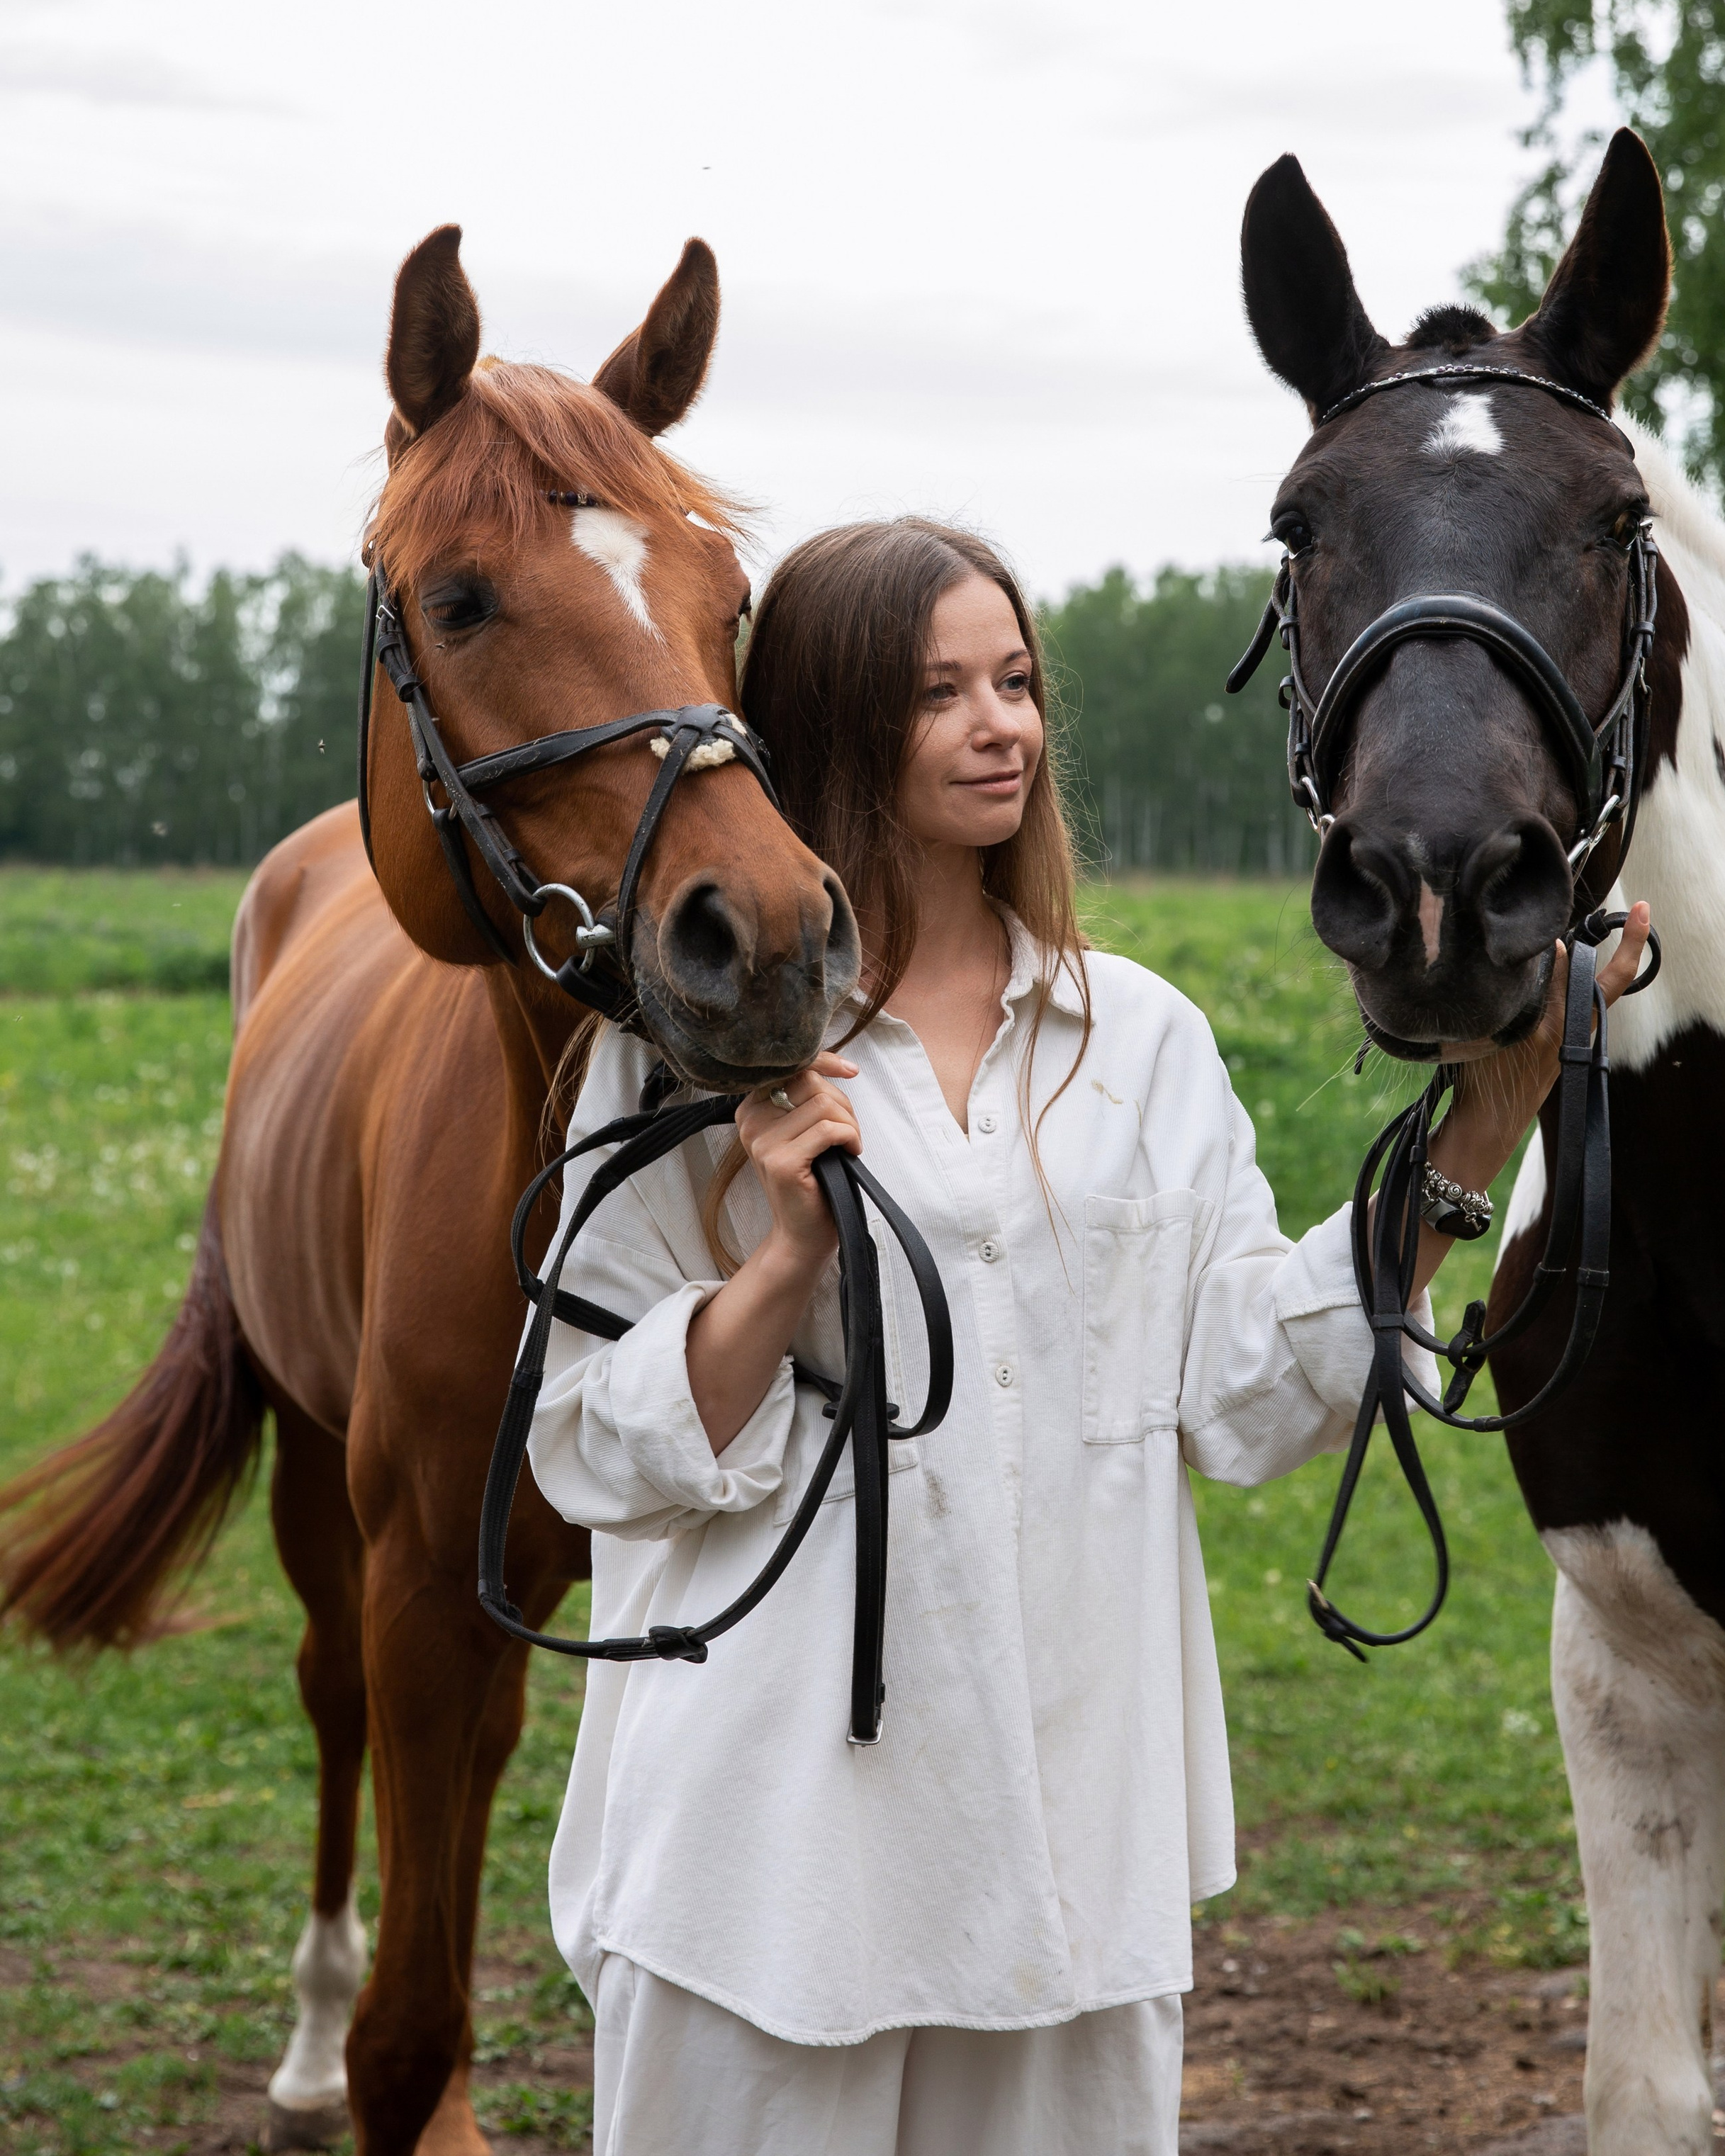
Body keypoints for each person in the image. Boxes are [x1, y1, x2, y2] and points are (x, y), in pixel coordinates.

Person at [527, 518, 1651, 2156]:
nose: (1000, 726)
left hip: (1068, 1856)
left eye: (1014, 682)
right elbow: (584, 1446)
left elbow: (1245, 1389)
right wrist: (780, 1266)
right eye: (937, 694)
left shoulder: (1138, 1041)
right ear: (830, 724)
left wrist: (1481, 1121)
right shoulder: (684, 1050)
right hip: (764, 1876)